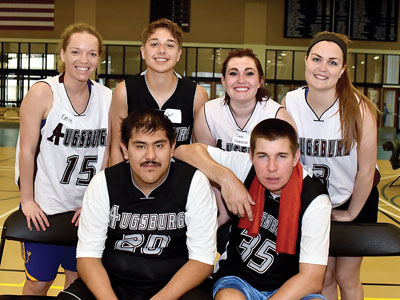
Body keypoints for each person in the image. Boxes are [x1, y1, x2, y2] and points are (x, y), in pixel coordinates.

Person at [58, 109, 217, 300]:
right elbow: (88, 257)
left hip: (174, 286)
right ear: (125, 149)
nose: (150, 156)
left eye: (159, 145)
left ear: (172, 146)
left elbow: (202, 260)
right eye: (140, 146)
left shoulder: (194, 183)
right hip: (113, 283)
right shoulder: (104, 183)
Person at [175, 118, 332, 300]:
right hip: (239, 280)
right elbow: (183, 151)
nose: (271, 168)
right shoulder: (244, 167)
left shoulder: (315, 199)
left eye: (281, 156)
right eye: (262, 156)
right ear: (251, 155)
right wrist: (226, 179)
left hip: (289, 287)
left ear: (296, 157)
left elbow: (311, 278)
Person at [16, 23, 112, 295]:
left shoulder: (107, 98)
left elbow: (109, 155)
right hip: (46, 209)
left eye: (92, 54)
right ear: (62, 54)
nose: (84, 60)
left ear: (99, 58)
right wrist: (27, 200)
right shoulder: (42, 93)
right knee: (39, 282)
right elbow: (26, 150)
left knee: (76, 282)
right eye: (76, 52)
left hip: (85, 211)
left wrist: (95, 201)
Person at [282, 31, 378, 300]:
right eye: (317, 59)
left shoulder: (359, 109)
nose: (323, 68)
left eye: (333, 62)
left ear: (343, 69)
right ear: (306, 60)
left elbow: (367, 171)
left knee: (346, 276)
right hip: (311, 201)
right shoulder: (290, 102)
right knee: (320, 277)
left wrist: (351, 212)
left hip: (354, 198)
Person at [194, 48, 296, 227]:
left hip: (268, 201)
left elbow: (287, 168)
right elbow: (205, 164)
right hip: (222, 197)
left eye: (249, 73)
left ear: (260, 81)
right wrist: (223, 211)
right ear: (224, 81)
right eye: (233, 73)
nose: (241, 80)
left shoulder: (278, 115)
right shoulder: (208, 113)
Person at [110, 18, 209, 165]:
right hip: (134, 180)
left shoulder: (197, 94)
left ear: (179, 54)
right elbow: (117, 148)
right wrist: (119, 185)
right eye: (154, 44)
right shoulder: (124, 91)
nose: (161, 50)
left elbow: (201, 152)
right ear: (143, 52)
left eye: (170, 45)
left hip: (180, 181)